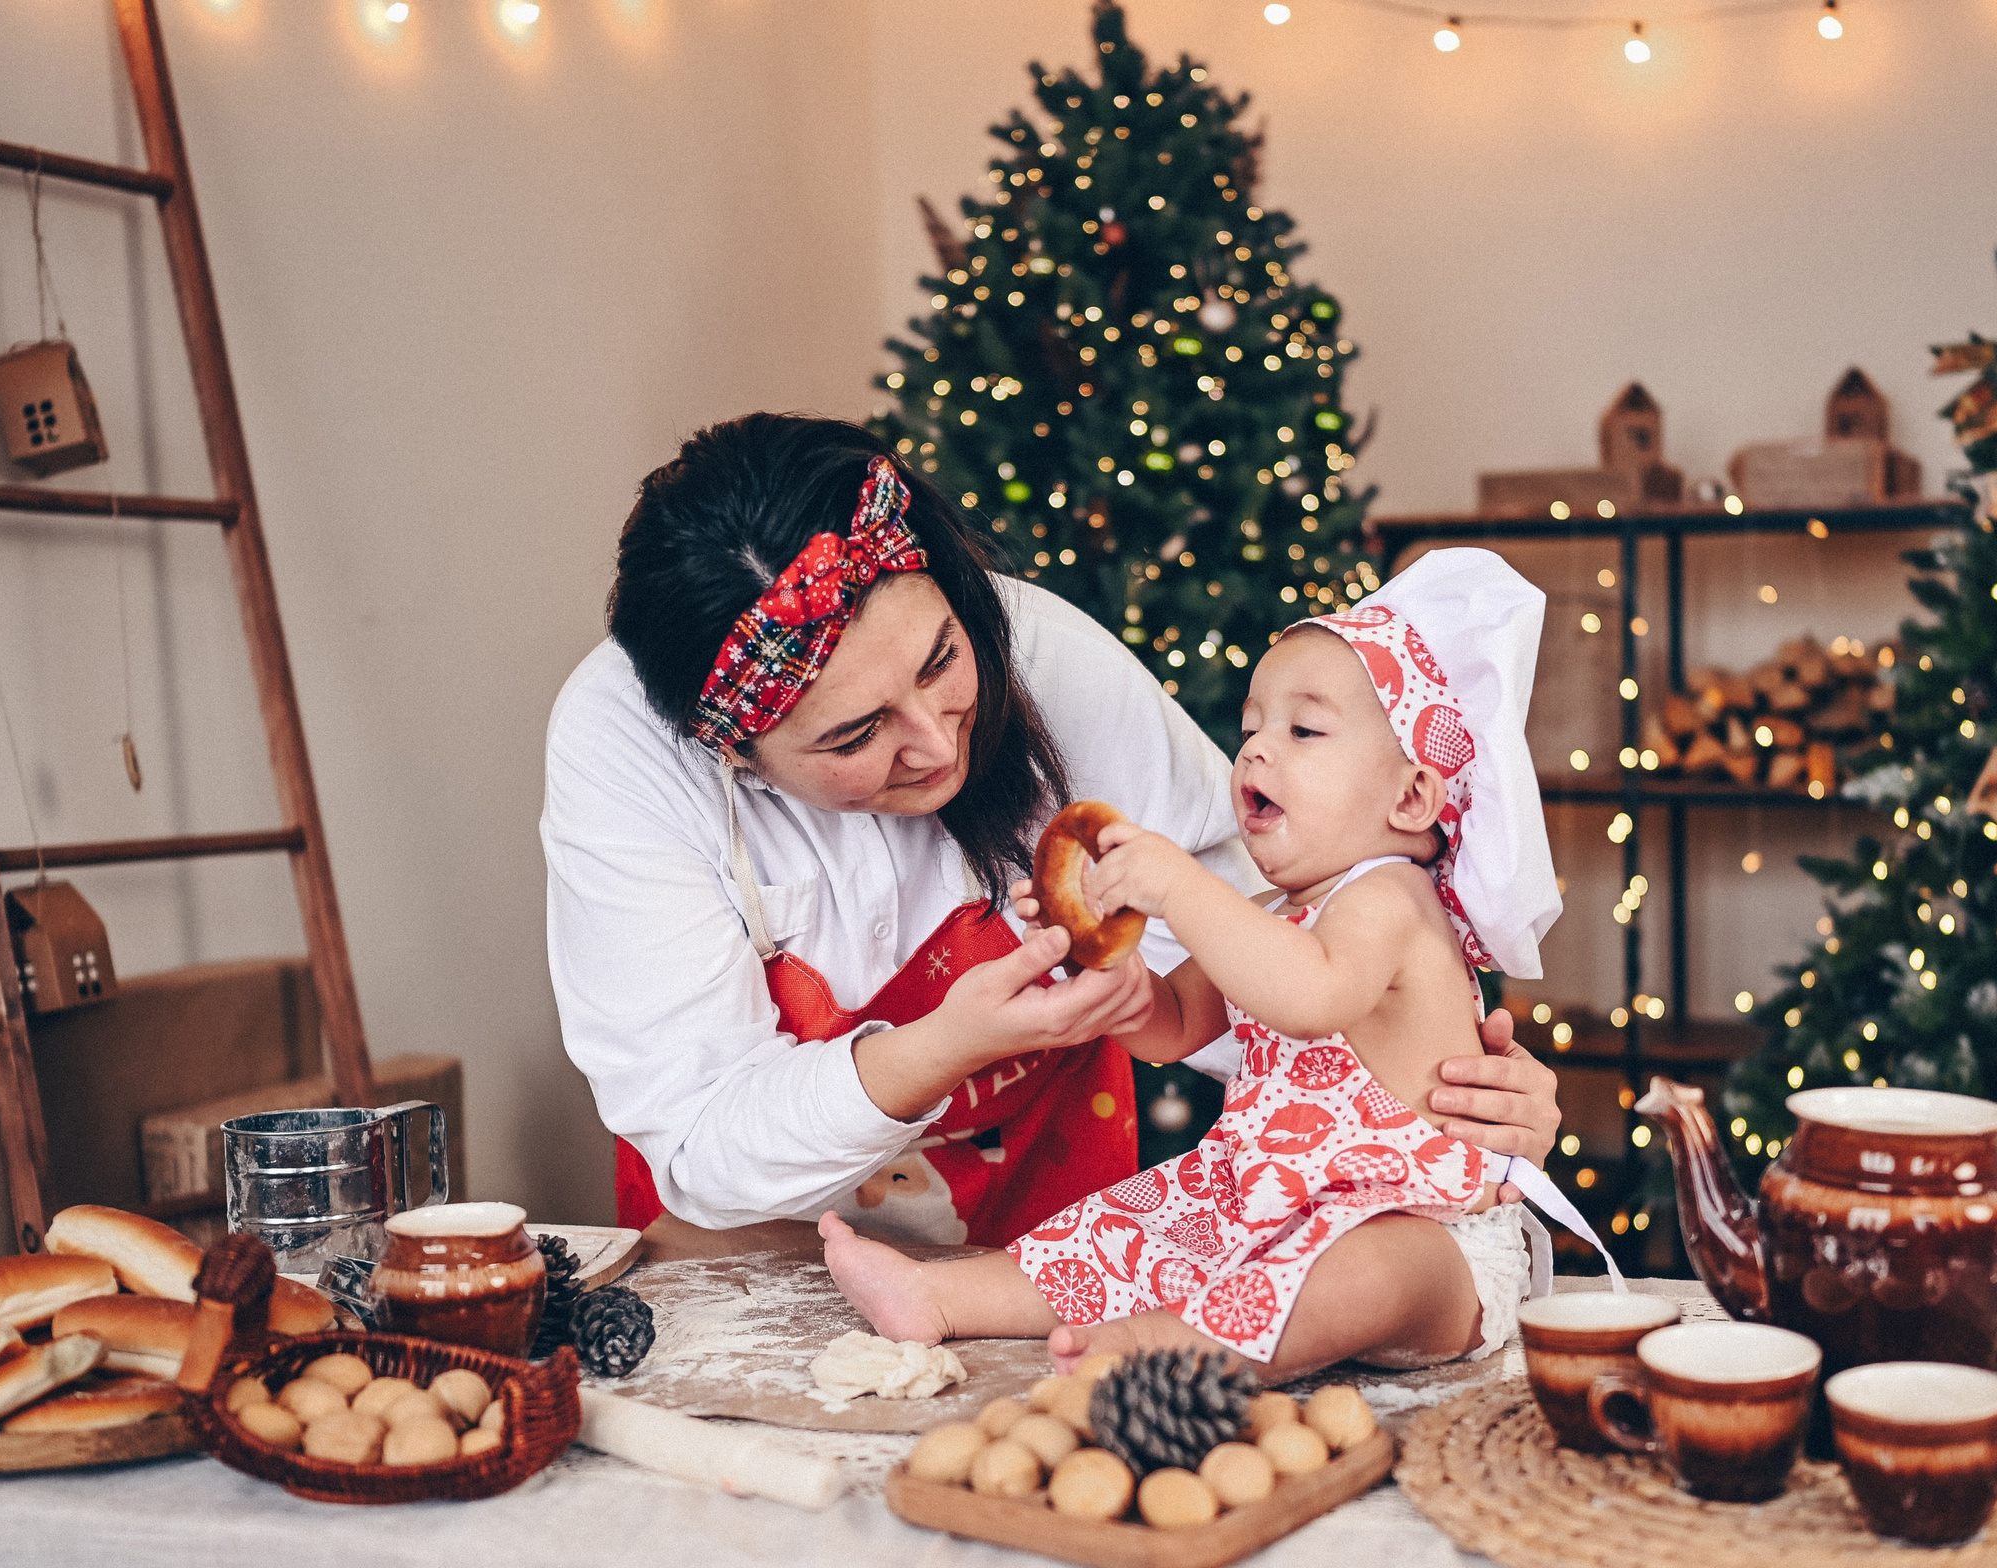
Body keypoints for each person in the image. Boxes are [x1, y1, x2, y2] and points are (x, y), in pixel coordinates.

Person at [543, 415, 1565, 1267]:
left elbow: (1265, 937)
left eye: (942, 660)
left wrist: (1428, 1078)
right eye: (855, 734)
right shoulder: (625, 748)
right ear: (735, 754)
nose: (935, 739)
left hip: (1040, 1235)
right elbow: (698, 1137)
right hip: (750, 1257)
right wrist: (942, 1048)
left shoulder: (1050, 655)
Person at [822, 550, 1565, 1380]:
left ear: (1411, 799)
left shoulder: (1391, 899)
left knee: (1367, 1273)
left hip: (1430, 1231)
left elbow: (1310, 994)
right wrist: (1102, 972)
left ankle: (1171, 1348)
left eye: (1303, 730)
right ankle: (943, 1299)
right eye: (1251, 728)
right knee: (1135, 1223)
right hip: (1265, 1208)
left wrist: (1178, 881)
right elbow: (1171, 1030)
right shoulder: (1273, 917)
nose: (1255, 752)